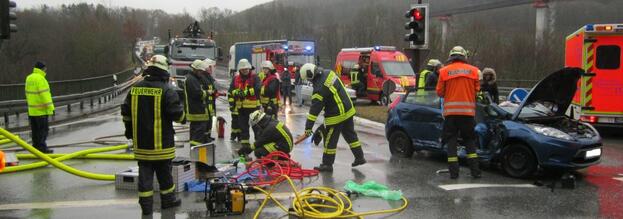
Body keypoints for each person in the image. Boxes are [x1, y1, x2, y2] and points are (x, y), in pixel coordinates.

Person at [121, 55, 186, 215]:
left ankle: (146, 208)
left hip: (142, 145)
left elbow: (126, 113)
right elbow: (179, 116)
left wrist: (129, 131)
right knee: (165, 176)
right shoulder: (167, 90)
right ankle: (168, 201)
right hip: (162, 146)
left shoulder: (135, 89)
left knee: (145, 177)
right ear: (164, 71)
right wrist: (183, 109)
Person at [299, 63, 366, 172]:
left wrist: (308, 129)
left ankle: (327, 164)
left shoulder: (319, 89)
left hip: (336, 115)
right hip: (348, 110)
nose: (309, 82)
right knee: (351, 136)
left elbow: (314, 112)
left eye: (308, 79)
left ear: (310, 76)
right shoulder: (329, 72)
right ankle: (360, 157)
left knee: (330, 140)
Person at [436, 46, 482, 179]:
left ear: (451, 57)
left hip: (451, 114)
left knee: (451, 142)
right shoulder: (473, 71)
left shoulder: (444, 71)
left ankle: (454, 173)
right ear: (464, 57)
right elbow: (477, 90)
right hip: (467, 114)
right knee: (469, 141)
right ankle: (475, 171)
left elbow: (439, 92)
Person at [229, 59, 261, 149]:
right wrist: (237, 93)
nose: (245, 71)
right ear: (240, 70)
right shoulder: (235, 79)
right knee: (243, 128)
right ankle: (245, 146)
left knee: (256, 127)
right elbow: (231, 90)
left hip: (253, 107)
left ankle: (258, 144)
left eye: (247, 69)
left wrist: (246, 93)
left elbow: (258, 88)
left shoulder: (255, 77)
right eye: (243, 70)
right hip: (241, 108)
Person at [25, 61, 55, 154]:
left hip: (32, 110)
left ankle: (35, 148)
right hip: (41, 110)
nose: (46, 71)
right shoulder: (41, 79)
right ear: (42, 69)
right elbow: (45, 95)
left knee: (35, 130)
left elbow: (27, 93)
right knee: (43, 130)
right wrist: (51, 108)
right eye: (45, 69)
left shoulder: (29, 78)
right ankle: (42, 148)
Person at [184, 60, 212, 148]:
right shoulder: (191, 79)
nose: (201, 73)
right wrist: (208, 93)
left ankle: (194, 149)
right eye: (200, 71)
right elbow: (197, 94)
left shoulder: (194, 78)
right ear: (194, 69)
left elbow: (205, 84)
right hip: (197, 111)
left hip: (197, 110)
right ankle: (197, 152)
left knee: (195, 132)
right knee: (199, 132)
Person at [203, 58, 219, 141]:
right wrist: (212, 92)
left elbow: (213, 87)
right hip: (207, 102)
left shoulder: (208, 76)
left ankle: (208, 135)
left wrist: (215, 92)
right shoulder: (203, 77)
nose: (211, 68)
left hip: (211, 102)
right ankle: (205, 137)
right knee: (207, 120)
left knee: (210, 120)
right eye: (210, 67)